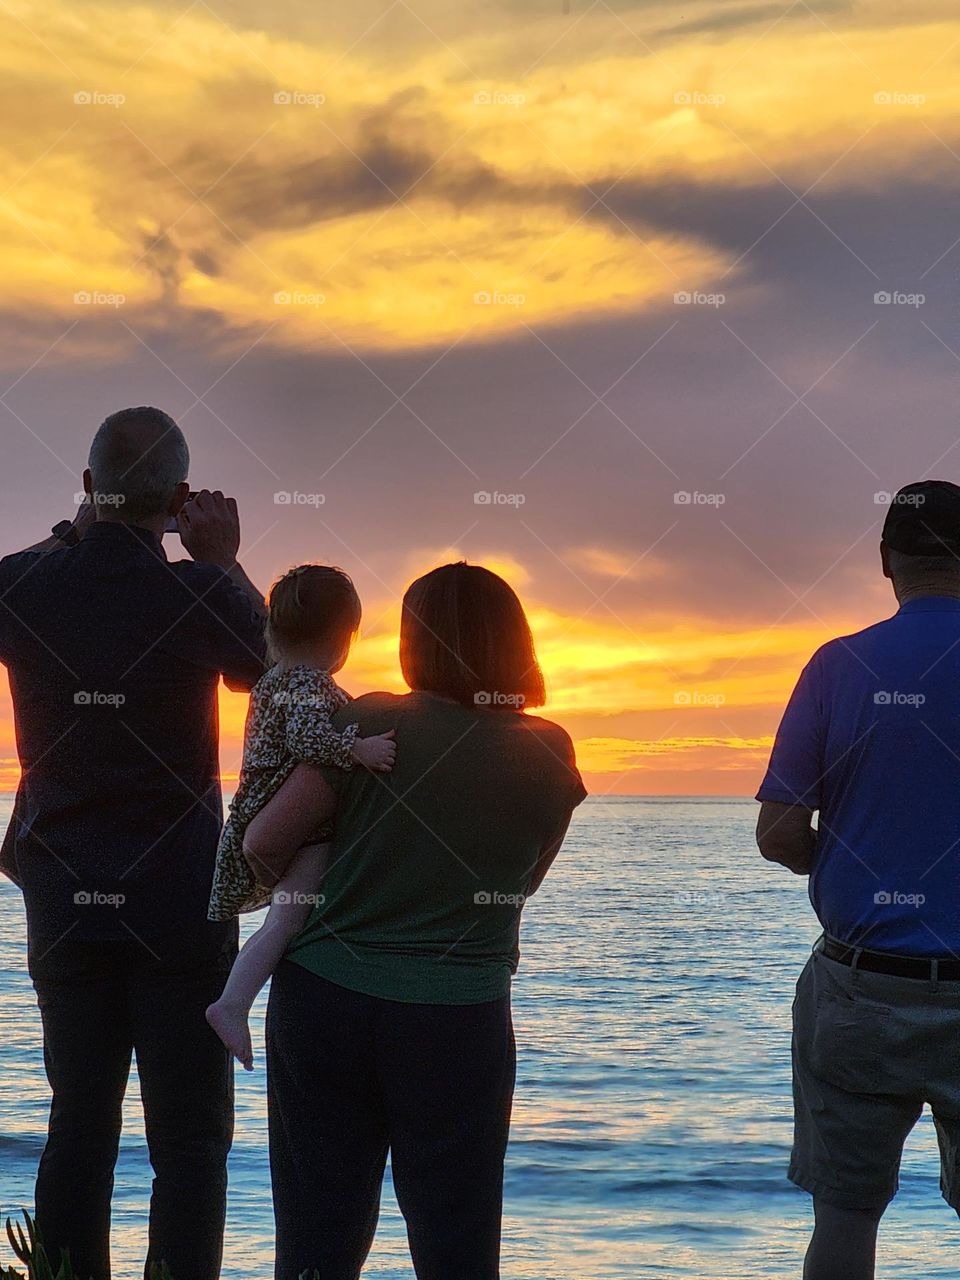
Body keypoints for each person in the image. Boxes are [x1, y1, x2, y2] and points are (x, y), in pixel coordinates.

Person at [242, 561, 587, 1280]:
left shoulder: (369, 721)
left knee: (316, 1241)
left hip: (326, 1006)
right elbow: (522, 884)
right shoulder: (551, 752)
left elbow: (263, 843)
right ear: (516, 643)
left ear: (413, 641)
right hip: (459, 1020)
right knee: (456, 1244)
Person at [0, 407, 267, 1280]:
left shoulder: (26, 586)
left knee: (78, 1118)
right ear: (182, 500)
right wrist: (224, 564)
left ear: (86, 489)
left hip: (63, 890)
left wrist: (61, 541)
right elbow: (278, 667)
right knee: (189, 1141)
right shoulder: (194, 593)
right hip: (179, 894)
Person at [756, 480, 960, 1280]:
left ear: (885, 562)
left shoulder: (838, 666)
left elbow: (777, 835)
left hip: (860, 990)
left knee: (845, 1219)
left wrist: (841, 858)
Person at [205, 563, 397, 1070]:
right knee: (286, 921)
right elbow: (305, 740)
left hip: (271, 813)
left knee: (284, 919)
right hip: (291, 821)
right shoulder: (306, 681)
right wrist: (360, 749)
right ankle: (232, 1004)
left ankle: (233, 1003)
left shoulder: (276, 678)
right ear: (343, 637)